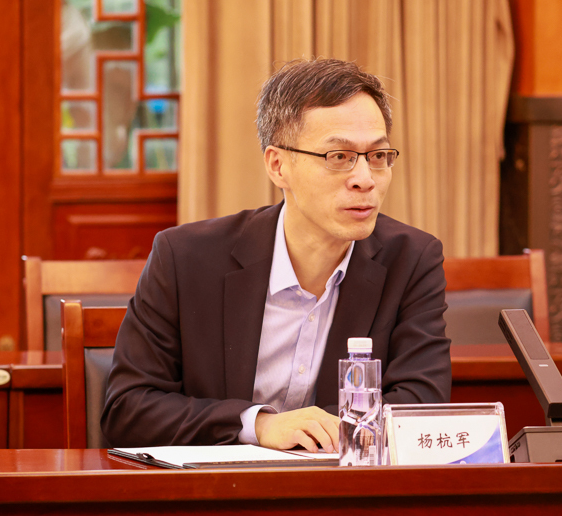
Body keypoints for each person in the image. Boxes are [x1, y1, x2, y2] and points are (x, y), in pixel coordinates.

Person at [101, 58, 451, 453]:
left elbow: (422, 405)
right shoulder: (185, 258)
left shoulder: (412, 260)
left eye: (378, 156)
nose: (364, 179)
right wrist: (258, 425)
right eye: (339, 157)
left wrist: (324, 434)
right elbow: (128, 409)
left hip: (340, 486)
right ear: (278, 165)